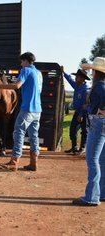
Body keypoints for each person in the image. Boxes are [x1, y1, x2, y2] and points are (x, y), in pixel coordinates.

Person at [0, 52, 43, 171]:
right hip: (37, 110)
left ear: (26, 61)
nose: (21, 64)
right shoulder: (39, 73)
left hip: (27, 109)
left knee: (18, 132)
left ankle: (14, 162)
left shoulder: (26, 70)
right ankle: (34, 163)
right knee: (34, 136)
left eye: (22, 61)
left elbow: (17, 86)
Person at [72, 57, 105, 206]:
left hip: (98, 122)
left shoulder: (99, 86)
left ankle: (92, 196)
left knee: (92, 159)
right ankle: (101, 193)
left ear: (97, 71)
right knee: (101, 159)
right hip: (101, 122)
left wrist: (98, 110)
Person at [61, 67, 90, 155]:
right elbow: (69, 79)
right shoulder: (77, 86)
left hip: (84, 113)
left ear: (82, 78)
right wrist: (63, 72)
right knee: (72, 129)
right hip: (77, 112)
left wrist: (81, 114)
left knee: (84, 131)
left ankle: (82, 148)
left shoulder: (86, 90)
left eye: (77, 77)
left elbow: (85, 104)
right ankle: (74, 147)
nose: (75, 78)